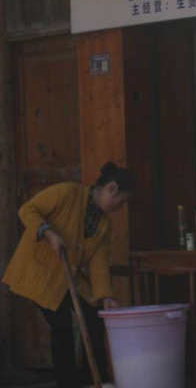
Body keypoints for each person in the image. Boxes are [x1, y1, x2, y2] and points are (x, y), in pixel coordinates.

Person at [2, 162, 133, 388]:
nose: (120, 207)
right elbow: (28, 209)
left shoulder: (103, 224)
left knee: (94, 315)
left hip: (68, 277)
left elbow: (98, 264)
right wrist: (48, 232)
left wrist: (105, 296)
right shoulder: (67, 193)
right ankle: (67, 382)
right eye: (121, 202)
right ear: (111, 188)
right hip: (40, 274)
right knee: (62, 325)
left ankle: (95, 379)